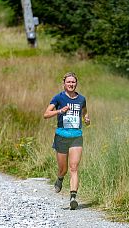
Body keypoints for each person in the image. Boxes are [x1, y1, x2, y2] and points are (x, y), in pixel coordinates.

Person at [43, 72, 90, 210]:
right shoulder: (58, 98)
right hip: (61, 136)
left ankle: (73, 197)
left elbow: (85, 112)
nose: (71, 84)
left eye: (73, 82)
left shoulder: (81, 99)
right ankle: (60, 178)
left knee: (74, 168)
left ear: (76, 83)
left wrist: (86, 119)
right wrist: (59, 111)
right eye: (68, 82)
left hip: (76, 136)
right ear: (64, 83)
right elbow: (46, 114)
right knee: (63, 169)